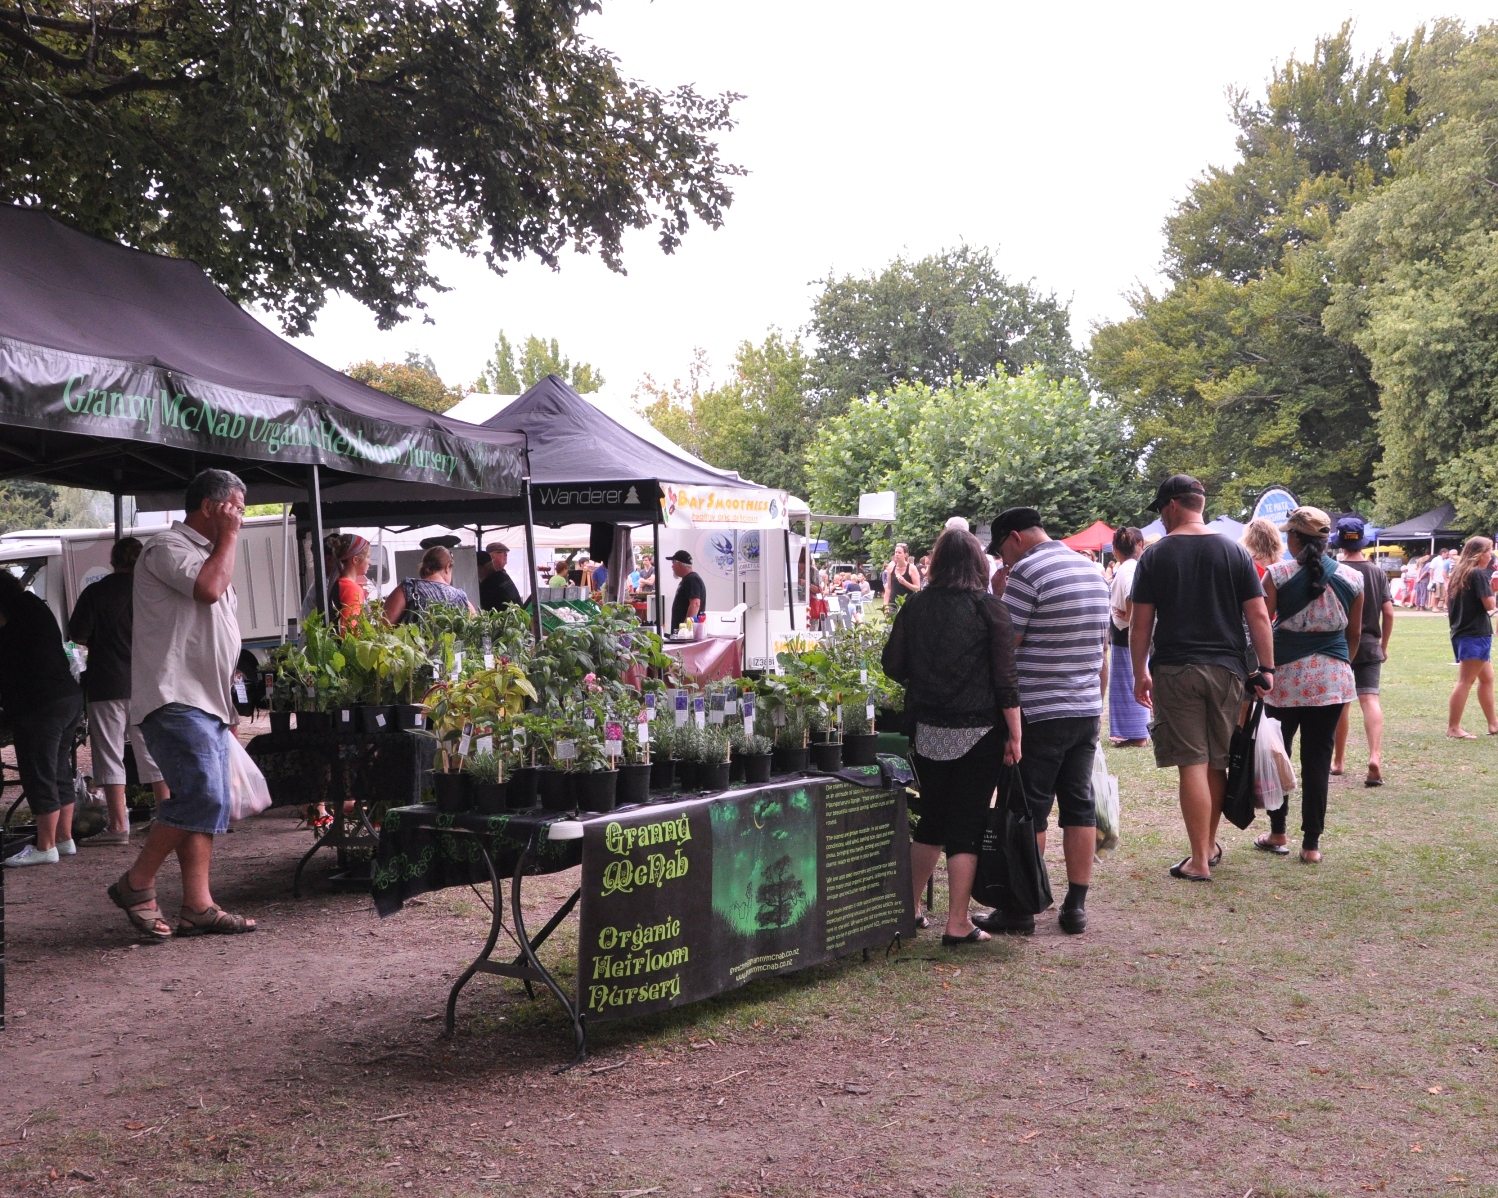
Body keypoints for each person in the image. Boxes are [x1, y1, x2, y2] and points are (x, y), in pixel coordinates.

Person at [107, 468, 255, 936]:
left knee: (207, 802)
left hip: (206, 701)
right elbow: (207, 591)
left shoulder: (211, 555)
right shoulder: (167, 548)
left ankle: (198, 904)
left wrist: (229, 706)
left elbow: (214, 631)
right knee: (203, 795)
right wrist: (229, 538)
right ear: (210, 507)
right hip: (174, 697)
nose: (241, 518)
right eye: (236, 508)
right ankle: (137, 881)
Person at [1129, 475, 1275, 882]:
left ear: (1173, 505)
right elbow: (1258, 614)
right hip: (1228, 670)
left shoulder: (1155, 557)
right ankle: (1207, 847)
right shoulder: (1234, 551)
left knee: (1191, 762)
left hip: (1175, 669)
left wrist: (1139, 672)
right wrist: (1267, 667)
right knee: (1217, 761)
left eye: (1160, 509)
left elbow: (1141, 625)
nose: (1159, 518)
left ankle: (1198, 859)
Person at [882, 529, 1021, 945]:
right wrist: (1015, 734)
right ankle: (957, 923)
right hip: (980, 729)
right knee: (968, 824)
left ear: (936, 562)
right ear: (979, 564)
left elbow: (892, 664)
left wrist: (925, 678)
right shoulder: (989, 608)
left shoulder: (916, 605)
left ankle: (907, 910)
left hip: (928, 730)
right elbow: (1006, 680)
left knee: (932, 821)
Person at [985, 507, 1111, 935]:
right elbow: (1102, 648)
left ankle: (1022, 907)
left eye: (1002, 550)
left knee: (1028, 810)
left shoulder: (1026, 573)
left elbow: (1007, 643)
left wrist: (999, 595)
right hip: (1085, 707)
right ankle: (1075, 907)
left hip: (1038, 710)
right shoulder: (1090, 569)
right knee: (1079, 805)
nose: (1003, 559)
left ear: (1016, 537)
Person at [1255, 507, 1363, 864]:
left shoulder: (1277, 574)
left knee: (1278, 755)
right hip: (1332, 680)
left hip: (1284, 680)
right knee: (1318, 760)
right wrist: (1337, 663)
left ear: (1295, 539)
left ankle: (1278, 832)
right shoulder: (1352, 579)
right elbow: (1354, 635)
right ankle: (1311, 846)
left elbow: (1260, 627)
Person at [66, 537, 170, 846]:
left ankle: (118, 826)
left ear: (113, 560)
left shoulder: (96, 592)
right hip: (148, 683)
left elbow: (77, 633)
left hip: (107, 682)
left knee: (109, 753)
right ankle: (165, 819)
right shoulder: (153, 591)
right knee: (151, 750)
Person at [0, 569, 85, 867]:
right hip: (68, 697)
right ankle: (64, 839)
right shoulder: (36, 608)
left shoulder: (12, 624)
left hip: (40, 705)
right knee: (59, 769)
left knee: (39, 772)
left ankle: (44, 846)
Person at [1331, 518, 1394, 785]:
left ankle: (1339, 761)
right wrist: (1384, 645)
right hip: (1369, 643)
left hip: (1338, 644)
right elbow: (1389, 612)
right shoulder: (1376, 572)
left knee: (1342, 704)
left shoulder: (1332, 570)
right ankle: (1375, 756)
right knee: (1370, 700)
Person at [1445, 536, 1498, 739]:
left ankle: (1493, 723)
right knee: (1465, 681)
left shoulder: (1459, 572)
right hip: (1475, 633)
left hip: (1463, 631)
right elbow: (1490, 605)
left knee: (1487, 678)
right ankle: (1453, 727)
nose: (1490, 555)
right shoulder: (1477, 574)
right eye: (1488, 550)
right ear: (1479, 553)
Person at [1107, 526, 1150, 748]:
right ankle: (1132, 732)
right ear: (1139, 545)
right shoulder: (1131, 567)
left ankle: (1135, 733)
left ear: (1115, 549)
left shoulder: (1128, 569)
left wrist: (1130, 615)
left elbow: (1133, 595)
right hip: (1125, 631)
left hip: (1126, 633)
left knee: (1128, 683)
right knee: (1127, 682)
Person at [382, 545, 475, 625]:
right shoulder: (460, 598)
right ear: (447, 567)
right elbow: (476, 625)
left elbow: (383, 625)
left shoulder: (409, 588)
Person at [330, 534, 371, 631]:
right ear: (355, 560)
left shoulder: (338, 584)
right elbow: (350, 631)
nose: (370, 562)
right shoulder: (351, 589)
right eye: (368, 557)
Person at [667, 550, 706, 630]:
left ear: (679, 564)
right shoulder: (687, 580)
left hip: (687, 635)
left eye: (673, 563)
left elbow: (695, 604)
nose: (672, 566)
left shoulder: (692, 579)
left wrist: (686, 629)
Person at [479, 541, 522, 610]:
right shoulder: (491, 577)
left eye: (506, 553)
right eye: (500, 552)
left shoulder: (502, 574)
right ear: (491, 556)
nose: (506, 555)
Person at [883, 542, 922, 610]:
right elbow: (888, 588)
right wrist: (885, 606)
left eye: (899, 553)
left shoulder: (911, 568)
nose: (897, 554)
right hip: (893, 605)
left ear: (905, 554)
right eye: (896, 552)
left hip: (908, 605)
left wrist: (904, 582)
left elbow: (917, 588)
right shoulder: (891, 568)